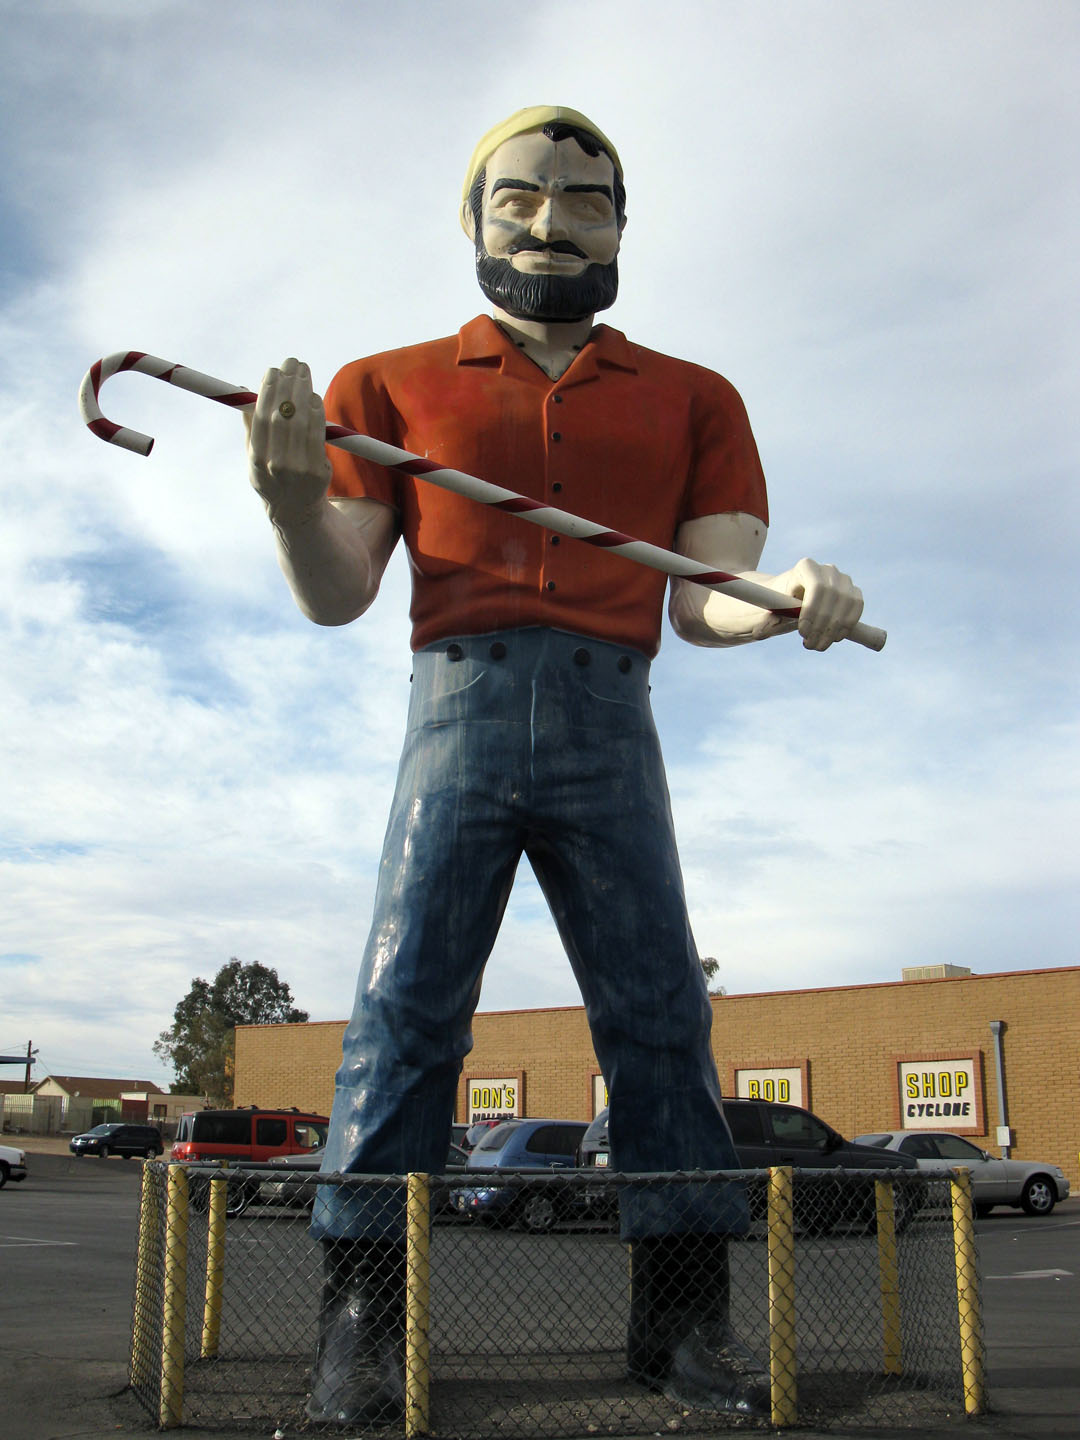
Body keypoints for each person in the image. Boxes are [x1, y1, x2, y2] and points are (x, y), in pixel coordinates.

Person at [246, 105, 864, 1425]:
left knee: (660, 1020)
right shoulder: (383, 387)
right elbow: (339, 593)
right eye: (519, 195)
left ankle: (684, 1318)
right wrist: (298, 502)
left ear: (624, 226)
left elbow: (707, 594)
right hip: (454, 711)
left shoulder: (699, 397)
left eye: (587, 201)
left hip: (609, 716)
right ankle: (363, 1318)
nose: (550, 219)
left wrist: (785, 594)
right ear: (471, 219)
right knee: (403, 1014)